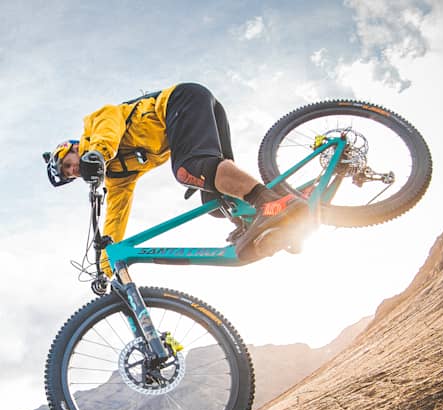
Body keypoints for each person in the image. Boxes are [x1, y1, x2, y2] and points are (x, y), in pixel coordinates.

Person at [44, 83, 307, 272]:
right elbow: (116, 216)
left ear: (74, 148)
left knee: (189, 169)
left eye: (68, 165)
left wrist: (98, 154)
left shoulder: (95, 125)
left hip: (180, 101)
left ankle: (272, 204)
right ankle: (274, 225)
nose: (73, 172)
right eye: (69, 175)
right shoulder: (117, 174)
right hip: (199, 109)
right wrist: (106, 267)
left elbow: (108, 131)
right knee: (217, 203)